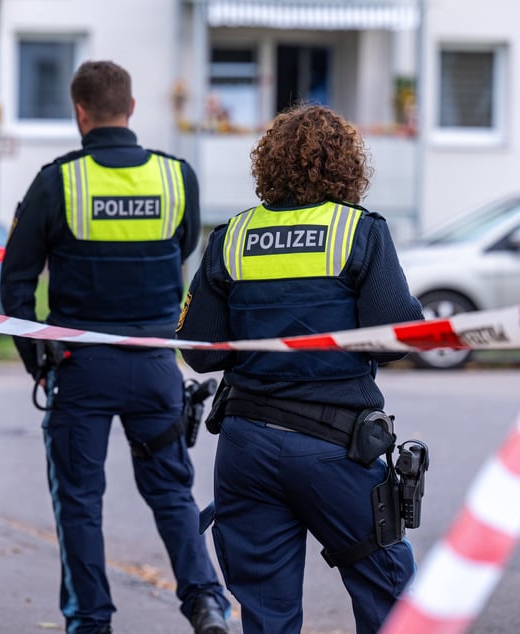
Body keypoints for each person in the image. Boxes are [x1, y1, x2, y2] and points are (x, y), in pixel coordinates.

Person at [0, 60, 230, 634]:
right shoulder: (177, 177)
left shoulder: (58, 181)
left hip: (80, 372)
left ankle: (91, 621)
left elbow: (16, 284)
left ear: (80, 112)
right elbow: (182, 255)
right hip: (154, 366)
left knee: (79, 501)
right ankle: (206, 605)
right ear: (131, 109)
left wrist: (40, 364)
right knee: (173, 493)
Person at [176, 104, 425, 634]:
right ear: (347, 167)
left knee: (267, 616)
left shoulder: (232, 237)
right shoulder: (359, 233)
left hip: (247, 451)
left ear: (268, 166)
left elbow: (199, 352)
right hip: (336, 451)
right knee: (391, 599)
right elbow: (395, 337)